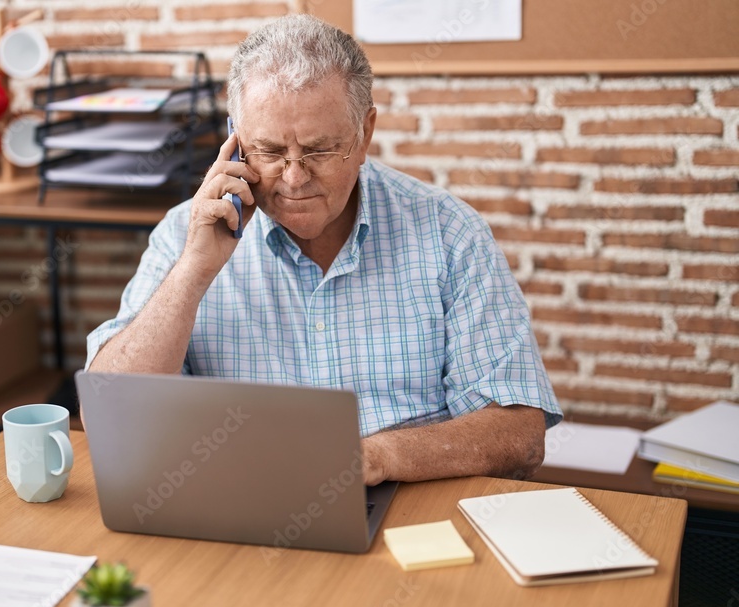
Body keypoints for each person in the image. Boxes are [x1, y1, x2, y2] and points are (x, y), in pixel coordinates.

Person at [86, 14, 562, 485]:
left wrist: (377, 457)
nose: (294, 178)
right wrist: (192, 272)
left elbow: (519, 434)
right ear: (235, 140)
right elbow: (109, 413)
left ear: (364, 134)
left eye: (319, 151)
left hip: (407, 507)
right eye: (269, 151)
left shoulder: (448, 233)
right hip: (240, 505)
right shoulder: (183, 236)